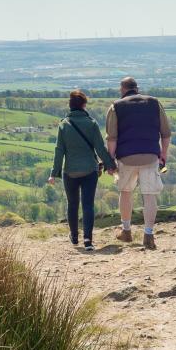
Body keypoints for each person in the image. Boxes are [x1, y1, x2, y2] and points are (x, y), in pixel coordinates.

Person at [105, 76, 171, 250]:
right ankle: (148, 234)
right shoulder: (154, 103)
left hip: (126, 157)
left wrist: (110, 161)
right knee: (149, 195)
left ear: (122, 89)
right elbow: (166, 133)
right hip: (150, 156)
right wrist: (163, 155)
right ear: (137, 88)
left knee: (126, 192)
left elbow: (112, 138)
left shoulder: (116, 106)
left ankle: (126, 231)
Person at [49, 90, 116, 251]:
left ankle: (74, 237)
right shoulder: (91, 124)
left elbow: (59, 151)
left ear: (70, 105)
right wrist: (110, 165)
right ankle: (88, 240)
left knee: (72, 204)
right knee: (88, 205)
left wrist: (54, 173)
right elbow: (100, 148)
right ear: (84, 105)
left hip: (70, 172)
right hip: (89, 171)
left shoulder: (64, 125)